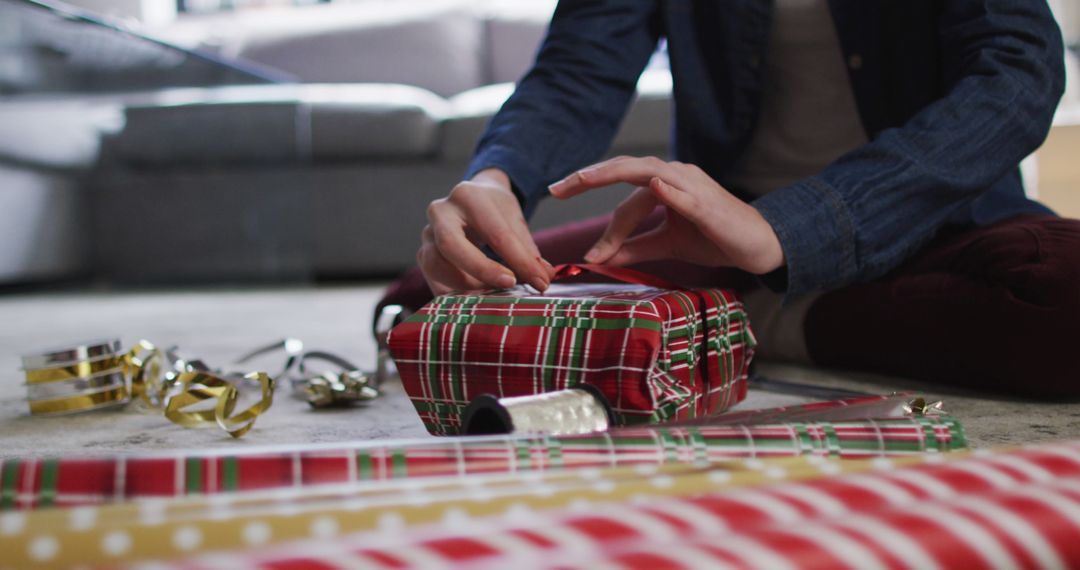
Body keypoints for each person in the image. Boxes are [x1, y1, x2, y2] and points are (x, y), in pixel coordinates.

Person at [380, 0, 1080, 397]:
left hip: (929, 220)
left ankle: (744, 316)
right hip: (712, 239)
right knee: (433, 293)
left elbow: (1017, 72)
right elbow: (576, 74)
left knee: (1061, 293)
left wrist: (792, 234)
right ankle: (745, 309)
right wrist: (495, 180)